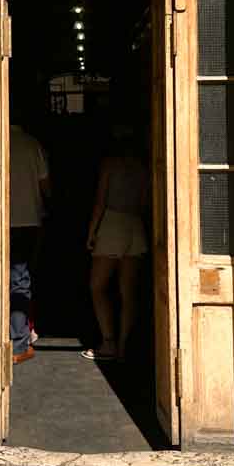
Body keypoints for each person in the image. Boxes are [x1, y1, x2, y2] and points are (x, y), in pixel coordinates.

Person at [82, 128, 148, 363]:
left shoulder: (110, 165)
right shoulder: (142, 168)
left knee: (97, 286)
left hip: (111, 223)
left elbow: (100, 202)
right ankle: (123, 345)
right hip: (135, 226)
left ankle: (108, 340)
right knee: (128, 292)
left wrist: (91, 233)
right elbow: (143, 203)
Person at [9, 119, 49, 365]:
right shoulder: (32, 145)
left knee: (4, 279)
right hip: (28, 220)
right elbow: (46, 185)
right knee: (20, 280)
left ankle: (12, 337)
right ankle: (19, 343)